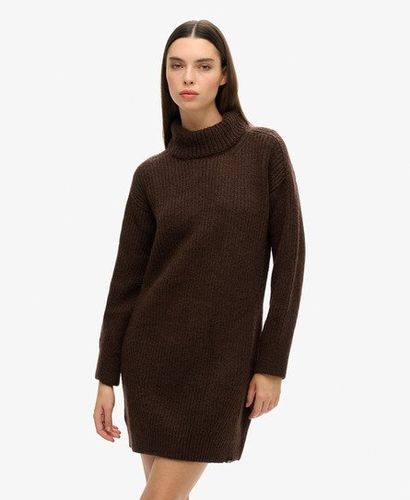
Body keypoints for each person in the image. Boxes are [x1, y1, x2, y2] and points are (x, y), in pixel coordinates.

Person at [93, 19, 306, 500]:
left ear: (224, 75)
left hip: (221, 365)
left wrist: (272, 365)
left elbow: (291, 264)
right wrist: (107, 376)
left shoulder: (264, 151)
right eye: (177, 65)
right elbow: (126, 283)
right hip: (150, 363)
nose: (188, 77)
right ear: (165, 75)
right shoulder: (151, 175)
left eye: (203, 66)